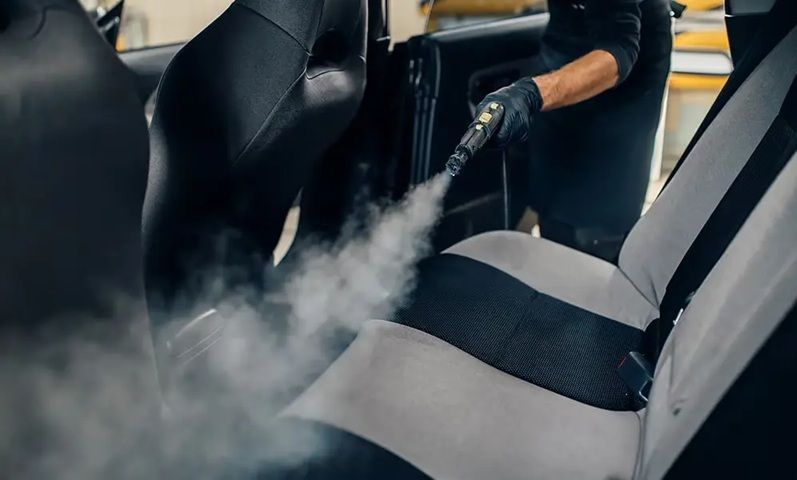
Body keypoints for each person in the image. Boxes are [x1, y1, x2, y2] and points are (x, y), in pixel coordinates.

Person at [479, 0, 673, 261]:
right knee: (555, 218)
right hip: (573, 75)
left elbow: (619, 52)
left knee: (586, 239)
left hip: (612, 113)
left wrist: (532, 94)